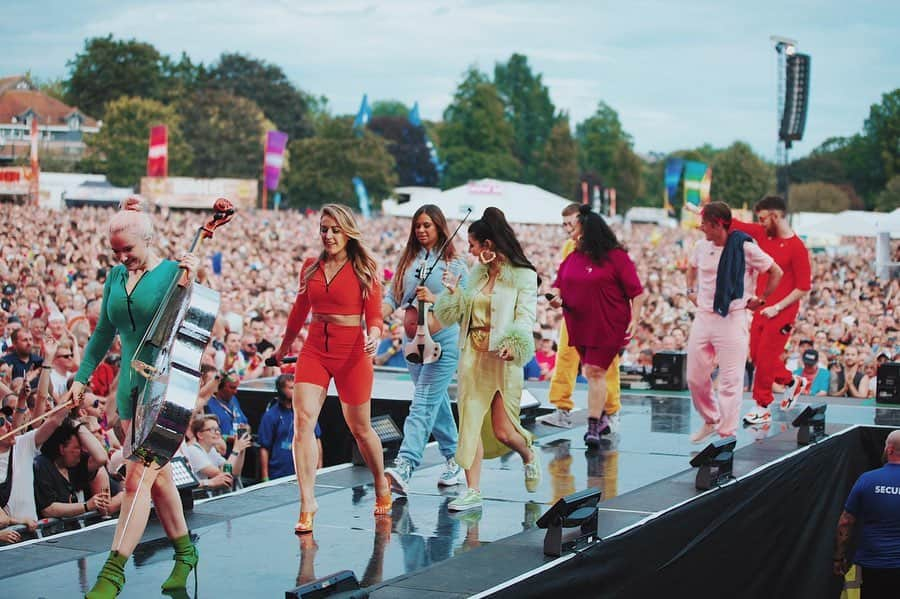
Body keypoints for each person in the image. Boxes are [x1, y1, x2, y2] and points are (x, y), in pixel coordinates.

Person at [70, 196, 201, 598]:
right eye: (116, 251)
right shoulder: (113, 277)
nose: (122, 257)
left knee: (137, 479)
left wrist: (189, 284)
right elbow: (102, 335)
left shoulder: (171, 273)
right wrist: (81, 377)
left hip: (164, 389)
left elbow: (185, 324)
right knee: (157, 480)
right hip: (130, 390)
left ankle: (112, 573)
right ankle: (185, 554)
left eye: (128, 249)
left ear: (149, 239)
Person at [274, 204, 391, 534]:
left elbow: (376, 316)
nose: (328, 235)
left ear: (348, 232)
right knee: (303, 422)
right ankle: (307, 501)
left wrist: (376, 336)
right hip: (314, 350)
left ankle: (381, 482)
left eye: (335, 229)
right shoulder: (310, 268)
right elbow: (299, 311)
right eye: (324, 229)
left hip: (353, 352)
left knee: (361, 428)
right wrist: (284, 347)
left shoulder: (365, 268)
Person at [431, 207, 539, 512]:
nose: (470, 251)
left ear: (488, 245)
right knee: (469, 426)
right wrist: (453, 295)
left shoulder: (524, 275)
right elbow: (460, 312)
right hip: (473, 359)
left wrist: (515, 344)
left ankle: (528, 453)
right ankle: (473, 490)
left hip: (503, 362)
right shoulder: (476, 274)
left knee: (505, 431)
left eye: (473, 245)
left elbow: (525, 316)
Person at [382, 204, 468, 494]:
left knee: (422, 402)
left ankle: (406, 463)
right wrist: (379, 314)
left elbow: (463, 304)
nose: (421, 230)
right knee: (435, 402)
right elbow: (393, 295)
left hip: (442, 343)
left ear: (439, 227)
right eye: (417, 225)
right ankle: (454, 458)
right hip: (413, 342)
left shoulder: (456, 264)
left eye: (427, 225)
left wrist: (435, 299)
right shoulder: (408, 261)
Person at [547, 205, 646, 446]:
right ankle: (574, 410)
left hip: (606, 321)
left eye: (572, 224)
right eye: (565, 225)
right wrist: (556, 297)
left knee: (599, 369)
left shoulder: (614, 256)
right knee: (577, 365)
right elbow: (560, 282)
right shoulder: (571, 252)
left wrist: (633, 319)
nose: (568, 230)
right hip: (576, 319)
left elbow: (637, 291)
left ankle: (606, 415)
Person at [685, 202, 782, 443]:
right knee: (695, 377)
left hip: (733, 316)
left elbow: (775, 271)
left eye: (705, 225)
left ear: (717, 224)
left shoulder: (744, 247)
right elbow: (691, 267)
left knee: (730, 380)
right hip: (705, 315)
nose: (701, 229)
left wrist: (762, 299)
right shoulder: (700, 246)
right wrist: (690, 291)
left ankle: (727, 433)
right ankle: (711, 418)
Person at [731, 196, 811, 424]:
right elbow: (738, 225)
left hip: (783, 311)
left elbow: (804, 287)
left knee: (766, 357)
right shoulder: (764, 235)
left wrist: (777, 307)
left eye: (764, 218)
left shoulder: (797, 248)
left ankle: (762, 406)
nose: (761, 223)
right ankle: (790, 381)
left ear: (776, 216)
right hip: (762, 306)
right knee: (756, 355)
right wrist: (705, 212)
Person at [834, 430, 900, 597]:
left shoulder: (867, 479)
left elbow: (845, 522)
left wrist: (839, 556)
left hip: (874, 563)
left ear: (890, 449)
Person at [258, 374, 323, 480]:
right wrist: (265, 476)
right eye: (291, 388)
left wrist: (319, 467)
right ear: (280, 390)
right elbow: (264, 448)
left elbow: (317, 439)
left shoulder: (306, 411)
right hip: (279, 473)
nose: (296, 391)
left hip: (304, 470)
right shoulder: (270, 415)